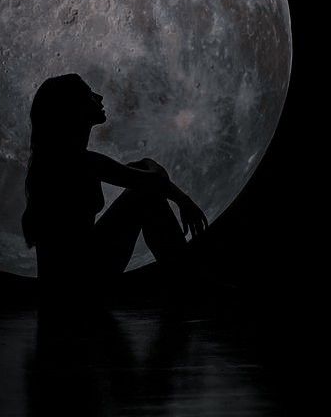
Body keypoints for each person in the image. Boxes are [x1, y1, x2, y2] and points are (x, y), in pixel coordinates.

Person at [21, 74, 208, 298]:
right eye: (89, 94)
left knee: (144, 191)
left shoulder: (63, 161)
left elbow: (139, 172)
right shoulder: (81, 162)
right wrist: (182, 199)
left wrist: (179, 197)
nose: (99, 97)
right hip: (75, 289)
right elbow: (154, 180)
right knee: (146, 197)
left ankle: (187, 282)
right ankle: (188, 284)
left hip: (64, 287)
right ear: (74, 109)